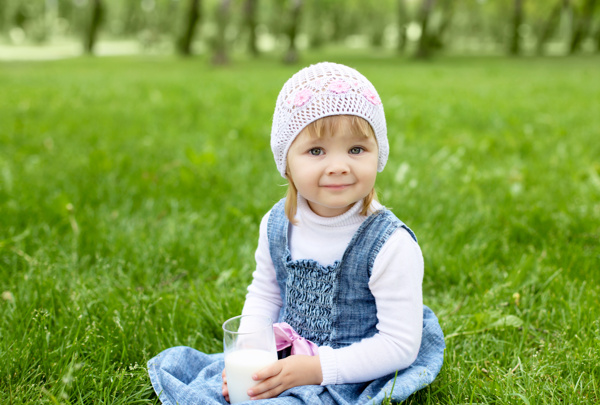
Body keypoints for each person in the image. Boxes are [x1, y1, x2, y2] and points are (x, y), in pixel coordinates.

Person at [147, 62, 445, 405]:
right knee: (207, 380)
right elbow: (265, 294)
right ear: (286, 161)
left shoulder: (390, 244)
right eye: (316, 151)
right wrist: (248, 357)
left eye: (357, 149)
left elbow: (398, 346)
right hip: (287, 356)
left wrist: (315, 369)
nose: (338, 165)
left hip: (352, 370)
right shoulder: (277, 224)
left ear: (379, 154)